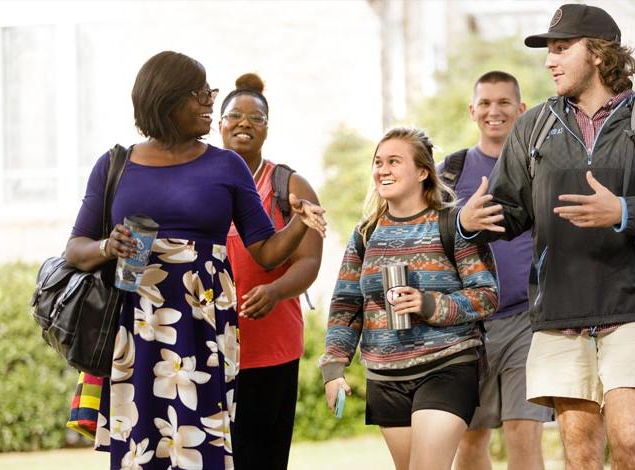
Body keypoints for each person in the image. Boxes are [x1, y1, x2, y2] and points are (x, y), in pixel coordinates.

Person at [456, 4, 635, 469]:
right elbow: (509, 210)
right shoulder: (533, 128)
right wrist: (469, 221)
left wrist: (624, 210)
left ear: (597, 53)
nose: (550, 60)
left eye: (560, 48)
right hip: (558, 311)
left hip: (634, 304)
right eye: (548, 50)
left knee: (630, 438)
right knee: (580, 448)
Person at [65, 51, 325, 469]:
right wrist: (107, 247)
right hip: (137, 328)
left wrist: (299, 222)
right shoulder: (115, 164)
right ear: (167, 99)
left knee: (202, 446)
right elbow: (75, 249)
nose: (210, 101)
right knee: (140, 447)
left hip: (203, 327)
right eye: (201, 93)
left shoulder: (226, 166)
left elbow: (267, 249)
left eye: (210, 91)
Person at [319, 127, 499, 470]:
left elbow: (487, 296)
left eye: (394, 161)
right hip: (385, 376)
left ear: (422, 172)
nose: (382, 169)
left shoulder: (452, 224)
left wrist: (429, 304)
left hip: (447, 365)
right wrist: (334, 368)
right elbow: (346, 306)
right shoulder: (366, 233)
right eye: (378, 162)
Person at [442, 71, 552, 470]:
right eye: (485, 103)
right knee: (469, 442)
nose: (495, 111)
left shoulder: (542, 170)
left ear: (521, 110)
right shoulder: (449, 173)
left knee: (525, 436)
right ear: (472, 111)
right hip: (468, 326)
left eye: (505, 102)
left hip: (527, 320)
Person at [220, 73, 323, 469]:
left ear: (267, 128)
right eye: (235, 115)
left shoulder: (289, 184)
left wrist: (277, 291)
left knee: (262, 457)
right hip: (205, 348)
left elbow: (309, 261)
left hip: (269, 350)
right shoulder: (202, 179)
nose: (244, 123)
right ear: (220, 123)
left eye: (256, 118)